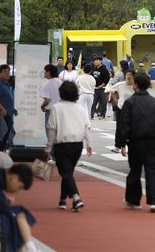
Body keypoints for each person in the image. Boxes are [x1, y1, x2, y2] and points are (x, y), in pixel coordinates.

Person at [118, 73, 155, 212]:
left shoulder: (130, 102)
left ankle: (134, 200)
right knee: (153, 170)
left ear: (136, 85)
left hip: (136, 141)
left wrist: (122, 143)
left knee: (135, 170)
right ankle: (154, 201)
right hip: (153, 141)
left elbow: (124, 124)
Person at [45, 81, 93, 212]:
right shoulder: (80, 108)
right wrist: (89, 144)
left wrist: (48, 148)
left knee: (65, 172)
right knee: (68, 172)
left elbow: (52, 129)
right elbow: (86, 127)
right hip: (77, 145)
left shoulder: (56, 107)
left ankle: (76, 198)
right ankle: (62, 199)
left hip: (62, 145)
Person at [106, 70, 135, 153]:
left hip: (132, 110)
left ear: (133, 76)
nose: (128, 76)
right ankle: (117, 146)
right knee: (119, 128)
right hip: (121, 108)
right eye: (127, 75)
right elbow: (111, 90)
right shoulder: (121, 84)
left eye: (129, 75)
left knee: (131, 128)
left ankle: (130, 146)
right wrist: (115, 100)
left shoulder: (135, 85)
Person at [39, 64, 62, 144]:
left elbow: (47, 100)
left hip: (50, 112)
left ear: (49, 72)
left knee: (50, 134)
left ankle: (53, 154)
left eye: (45, 71)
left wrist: (42, 106)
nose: (44, 73)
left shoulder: (46, 84)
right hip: (61, 111)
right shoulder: (61, 82)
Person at [0, 64, 15, 151]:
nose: (8, 74)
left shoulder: (6, 85)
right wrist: (2, 109)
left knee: (6, 136)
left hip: (9, 114)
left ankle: (2, 153)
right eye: (5, 72)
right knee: (2, 136)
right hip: (3, 115)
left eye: (8, 72)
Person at [90, 55, 110, 119]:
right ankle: (91, 115)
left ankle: (102, 114)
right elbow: (91, 77)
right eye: (94, 61)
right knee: (93, 102)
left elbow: (107, 78)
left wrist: (102, 85)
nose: (95, 62)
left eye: (96, 60)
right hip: (95, 88)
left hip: (102, 89)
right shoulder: (93, 69)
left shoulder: (104, 69)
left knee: (103, 102)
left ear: (100, 61)